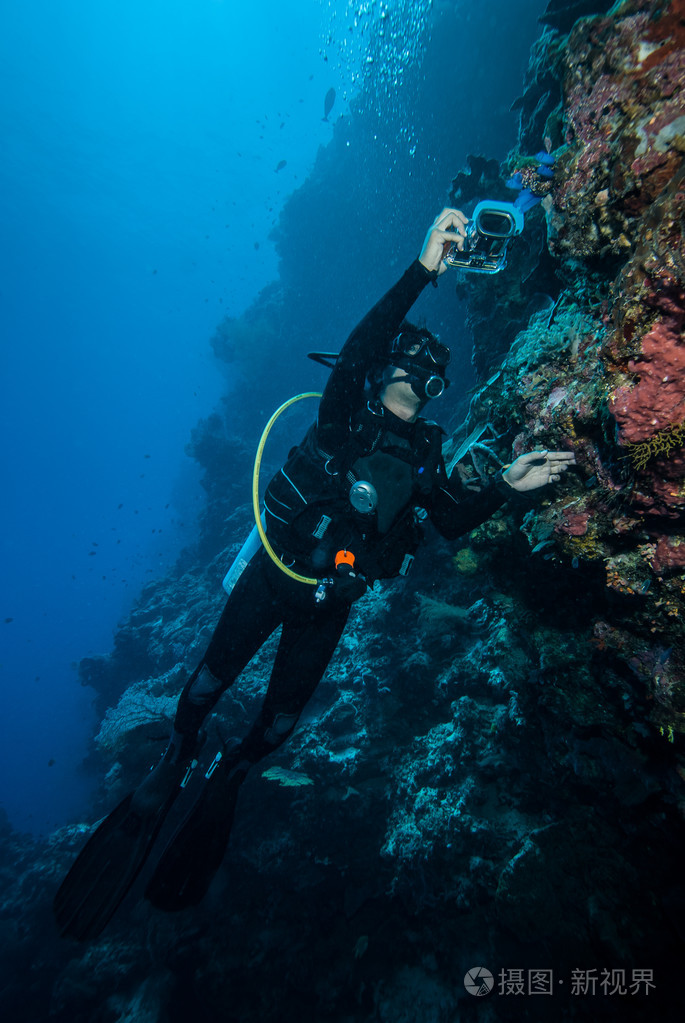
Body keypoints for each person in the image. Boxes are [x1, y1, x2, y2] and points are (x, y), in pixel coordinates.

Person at [54, 209, 576, 939]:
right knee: (202, 688)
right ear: (393, 363)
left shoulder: (426, 454)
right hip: (272, 576)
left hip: (328, 607)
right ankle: (178, 753)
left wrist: (506, 487)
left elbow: (452, 519)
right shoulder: (342, 414)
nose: (425, 372)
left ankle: (229, 774)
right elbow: (359, 347)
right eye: (415, 357)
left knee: (276, 729)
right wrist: (422, 271)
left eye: (436, 370)